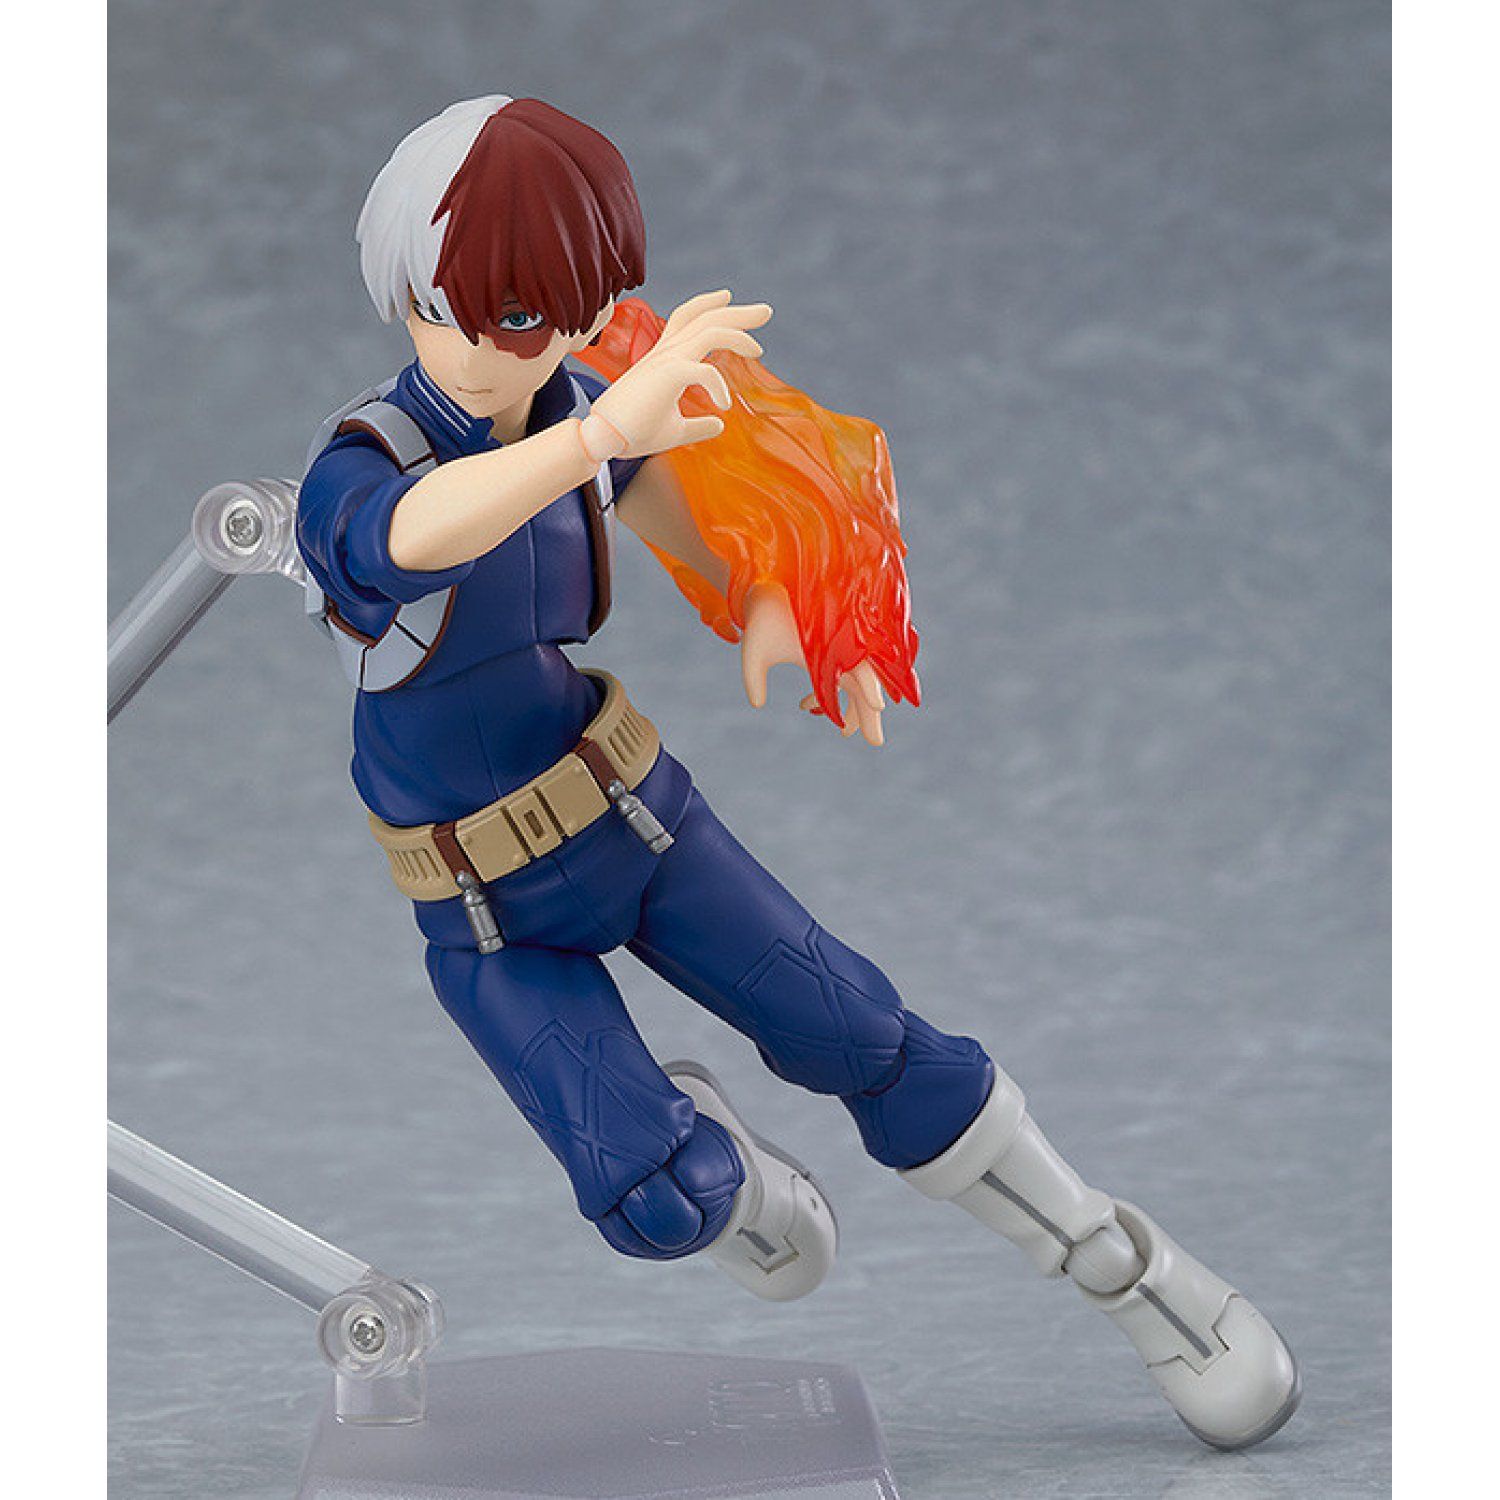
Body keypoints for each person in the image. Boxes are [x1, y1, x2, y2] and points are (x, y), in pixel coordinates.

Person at [296, 95, 1300, 1450]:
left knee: (864, 1035)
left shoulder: (586, 414)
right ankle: (715, 1159)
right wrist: (592, 436)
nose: (485, 348)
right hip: (481, 913)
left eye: (530, 316)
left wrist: (784, 605)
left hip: (636, 827)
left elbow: (690, 524)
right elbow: (408, 540)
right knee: (657, 1201)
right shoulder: (372, 467)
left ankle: (1123, 1266)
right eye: (452, 310)